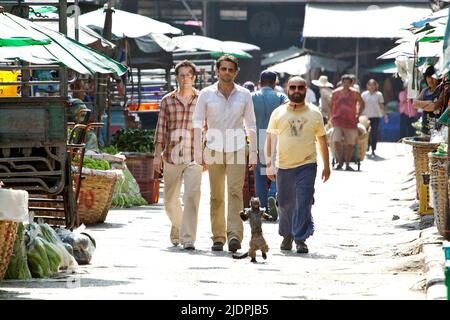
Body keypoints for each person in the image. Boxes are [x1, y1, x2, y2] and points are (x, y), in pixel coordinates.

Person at [192, 55, 257, 253]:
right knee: (216, 195)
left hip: (237, 147)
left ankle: (235, 235)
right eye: (224, 69)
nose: (227, 72)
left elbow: (251, 124)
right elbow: (197, 123)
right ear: (217, 71)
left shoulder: (245, 94)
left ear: (236, 72)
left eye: (231, 69)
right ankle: (218, 237)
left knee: (236, 192)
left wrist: (253, 153)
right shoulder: (206, 94)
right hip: (213, 148)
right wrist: (197, 152)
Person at [265, 76, 330, 254]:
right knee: (285, 204)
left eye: (300, 88)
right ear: (287, 89)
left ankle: (300, 238)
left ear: (306, 89)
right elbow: (270, 140)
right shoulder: (278, 113)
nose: (296, 91)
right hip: (284, 165)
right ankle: (287, 235)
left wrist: (327, 165)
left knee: (304, 200)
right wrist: (269, 164)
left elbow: (322, 141)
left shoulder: (315, 113)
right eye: (292, 87)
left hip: (307, 165)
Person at [154, 60, 203, 251]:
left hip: (194, 156)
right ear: (177, 78)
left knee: (192, 198)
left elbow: (206, 127)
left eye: (188, 75)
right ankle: (179, 226)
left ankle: (188, 238)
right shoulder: (167, 100)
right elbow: (161, 129)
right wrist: (157, 156)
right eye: (181, 75)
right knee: (169, 200)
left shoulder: (202, 99)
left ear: (194, 77)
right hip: (171, 156)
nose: (185, 78)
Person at [251, 70, 288, 220]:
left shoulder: (251, 97)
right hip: (276, 139)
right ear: (275, 83)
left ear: (260, 82)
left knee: (260, 174)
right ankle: (273, 194)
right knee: (277, 172)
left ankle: (262, 208)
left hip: (258, 139)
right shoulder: (281, 97)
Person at [330, 74, 365, 171]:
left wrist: (358, 115)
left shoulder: (355, 93)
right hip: (338, 120)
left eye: (347, 82)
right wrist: (331, 116)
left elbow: (362, 104)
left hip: (351, 121)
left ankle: (347, 163)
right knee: (336, 140)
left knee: (351, 143)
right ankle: (341, 161)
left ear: (351, 83)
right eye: (344, 82)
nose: (345, 84)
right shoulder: (335, 92)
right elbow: (331, 104)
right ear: (341, 82)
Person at [413, 65, 442, 135]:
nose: (430, 80)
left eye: (433, 77)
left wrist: (422, 105)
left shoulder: (441, 90)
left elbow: (434, 107)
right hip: (424, 129)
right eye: (428, 77)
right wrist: (428, 102)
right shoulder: (425, 90)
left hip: (437, 130)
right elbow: (414, 104)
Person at [361, 79, 388, 157]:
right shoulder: (364, 94)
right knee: (366, 132)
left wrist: (385, 115)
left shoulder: (379, 94)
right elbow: (361, 105)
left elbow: (381, 105)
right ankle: (367, 145)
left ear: (376, 86)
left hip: (376, 116)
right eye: (370, 85)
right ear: (368, 86)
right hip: (366, 116)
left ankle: (373, 148)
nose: (372, 87)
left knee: (374, 132)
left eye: (373, 85)